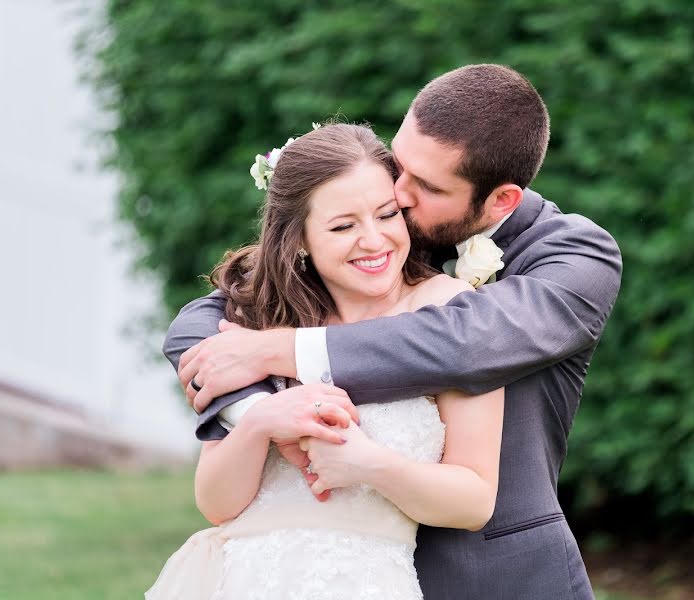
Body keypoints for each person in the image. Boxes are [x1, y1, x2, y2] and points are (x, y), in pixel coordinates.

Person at [168, 64, 623, 599]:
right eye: (399, 167)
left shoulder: (576, 258)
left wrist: (279, 351)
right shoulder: (383, 230)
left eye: (425, 186)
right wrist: (256, 412)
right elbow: (201, 323)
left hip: (496, 576)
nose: (399, 197)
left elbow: (465, 342)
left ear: (500, 200)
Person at [146, 123, 504, 600]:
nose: (374, 241)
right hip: (244, 579)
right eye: (343, 226)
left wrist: (367, 464)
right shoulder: (261, 325)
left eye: (387, 215)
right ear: (299, 240)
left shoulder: (452, 313)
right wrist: (260, 423)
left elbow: (474, 500)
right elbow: (216, 504)